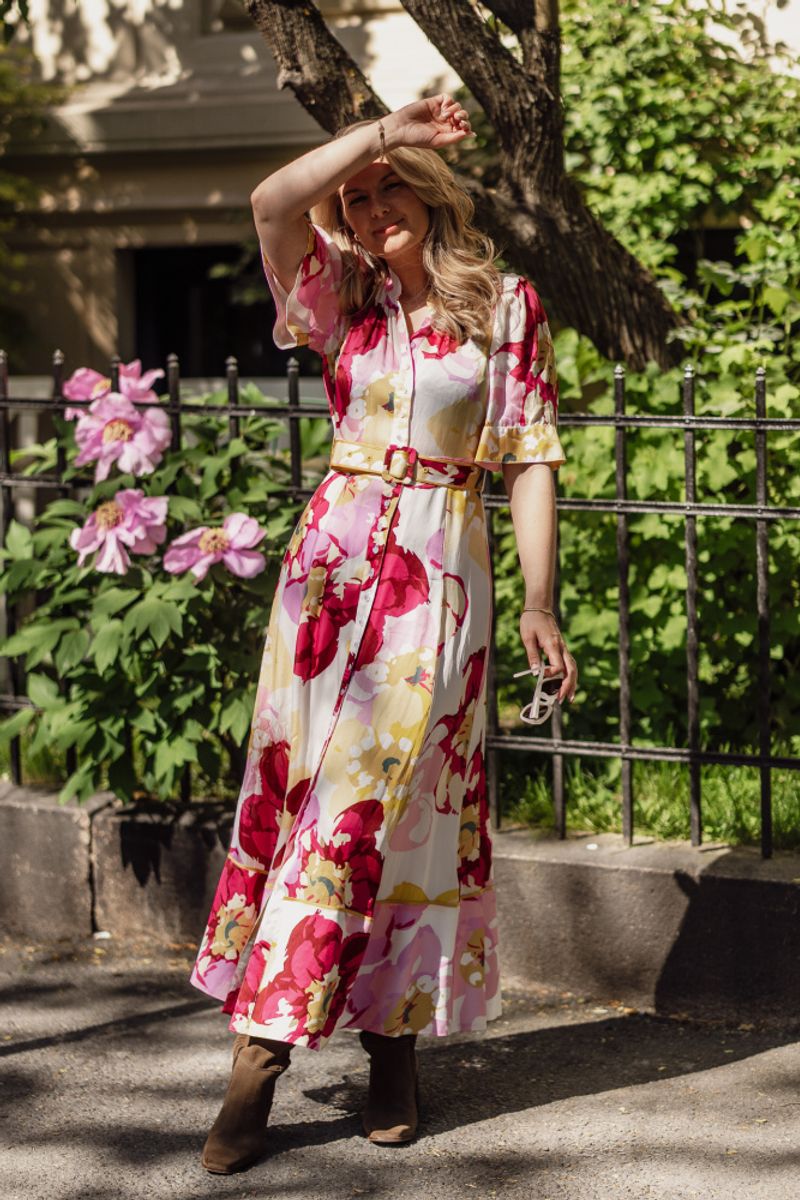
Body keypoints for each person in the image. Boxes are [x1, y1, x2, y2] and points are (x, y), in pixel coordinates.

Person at [190, 93, 578, 1174]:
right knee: (307, 798)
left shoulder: (505, 306)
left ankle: (343, 1048)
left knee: (396, 807)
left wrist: (539, 600)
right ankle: (293, 1049)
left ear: (433, 194)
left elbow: (530, 457)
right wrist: (377, 138)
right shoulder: (340, 294)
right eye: (355, 200)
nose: (370, 211)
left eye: (388, 190)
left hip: (437, 576)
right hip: (328, 574)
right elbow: (272, 202)